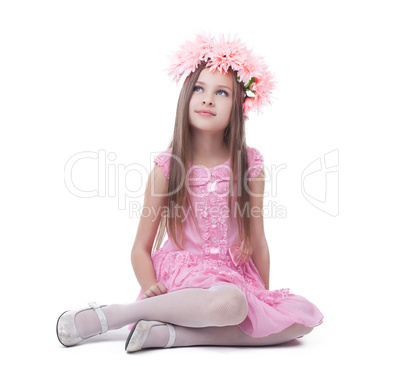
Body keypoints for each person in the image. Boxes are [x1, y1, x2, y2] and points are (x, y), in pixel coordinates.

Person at [56, 32, 324, 353]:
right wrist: (149, 287)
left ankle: (169, 334)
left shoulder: (249, 165)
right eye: (199, 88)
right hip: (185, 276)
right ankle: (117, 315)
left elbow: (258, 241)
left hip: (234, 280)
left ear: (238, 107)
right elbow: (140, 247)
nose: (208, 99)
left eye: (221, 92)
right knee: (232, 303)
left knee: (302, 319)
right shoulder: (168, 166)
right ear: (186, 96)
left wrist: (262, 304)